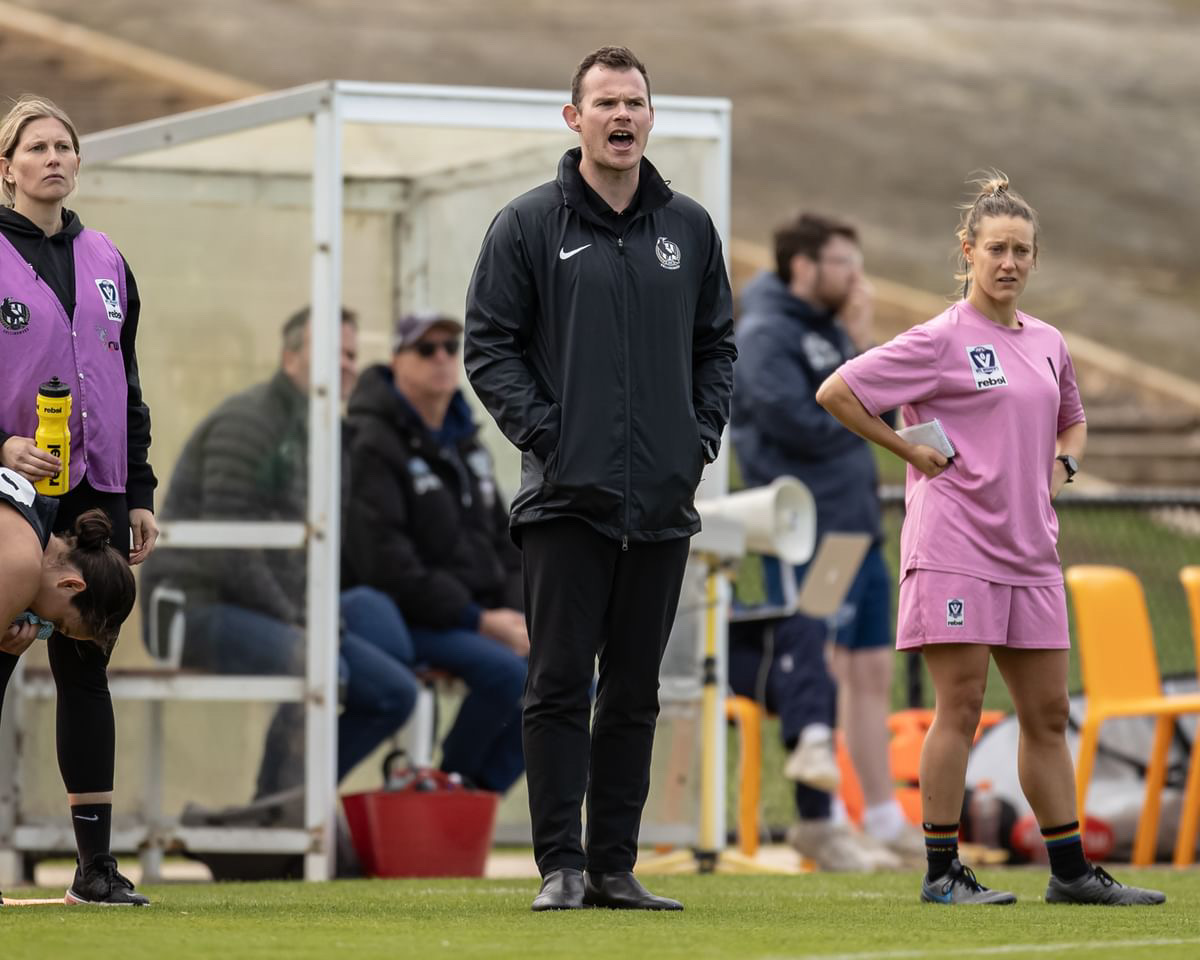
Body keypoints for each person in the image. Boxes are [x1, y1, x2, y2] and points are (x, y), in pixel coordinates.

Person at [816, 173, 1164, 905]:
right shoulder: (939, 338)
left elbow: (1072, 417)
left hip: (1031, 552)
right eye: (996, 248)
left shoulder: (1047, 341)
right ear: (968, 252)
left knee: (1045, 715)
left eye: (1022, 251)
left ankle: (1069, 873)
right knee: (963, 708)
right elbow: (839, 390)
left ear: (1035, 260)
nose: (1009, 262)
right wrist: (908, 452)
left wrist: (1063, 467)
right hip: (955, 549)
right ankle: (942, 872)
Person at [464, 46, 737, 912]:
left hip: (661, 504)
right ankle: (561, 866)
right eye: (606, 103)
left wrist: (695, 440)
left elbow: (716, 347)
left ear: (652, 118)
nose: (623, 117)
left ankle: (615, 867)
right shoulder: (528, 224)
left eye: (636, 103)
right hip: (564, 505)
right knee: (555, 685)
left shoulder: (688, 228)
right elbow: (489, 346)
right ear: (573, 118)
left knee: (634, 693)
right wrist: (553, 435)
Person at [140, 307, 419, 797]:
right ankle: (275, 812)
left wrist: (312, 615)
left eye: (352, 354)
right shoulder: (250, 420)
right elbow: (234, 550)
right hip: (188, 608)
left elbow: (318, 551)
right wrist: (300, 618)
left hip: (265, 605)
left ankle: (298, 799)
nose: (348, 365)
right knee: (321, 664)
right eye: (333, 352)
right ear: (291, 358)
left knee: (394, 690)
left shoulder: (329, 433)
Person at [0, 95, 157, 905]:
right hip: (11, 492)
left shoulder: (108, 258)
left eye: (65, 146)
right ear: (8, 167)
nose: (53, 158)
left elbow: (126, 384)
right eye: (37, 147)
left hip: (94, 489)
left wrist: (138, 492)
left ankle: (95, 869)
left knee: (85, 665)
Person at [730, 213, 921, 870]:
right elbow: (800, 425)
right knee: (823, 668)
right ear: (803, 266)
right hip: (810, 531)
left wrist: (859, 353)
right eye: (843, 262)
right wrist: (857, 397)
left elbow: (884, 414)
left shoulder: (830, 332)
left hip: (857, 526)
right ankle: (825, 817)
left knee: (870, 671)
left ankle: (882, 813)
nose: (856, 276)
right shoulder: (764, 333)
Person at [343, 311, 527, 795]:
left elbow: (509, 544)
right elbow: (386, 563)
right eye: (426, 350)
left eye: (450, 347)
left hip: (478, 618)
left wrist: (515, 613)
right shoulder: (371, 443)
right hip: (408, 621)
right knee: (509, 674)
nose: (442, 358)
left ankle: (472, 796)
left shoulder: (469, 444)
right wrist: (480, 622)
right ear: (396, 361)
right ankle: (450, 784)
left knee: (570, 681)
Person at [0, 473, 138, 905]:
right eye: (59, 623)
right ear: (71, 585)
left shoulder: (38, 523)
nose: (45, 629)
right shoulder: (22, 565)